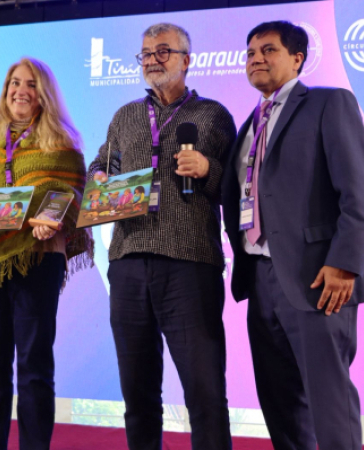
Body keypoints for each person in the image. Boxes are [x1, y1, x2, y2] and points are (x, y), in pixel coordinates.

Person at [221, 21, 364, 450]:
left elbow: (358, 193)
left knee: (329, 402)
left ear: (297, 59)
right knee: (280, 403)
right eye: (250, 53)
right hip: (259, 277)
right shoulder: (249, 124)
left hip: (318, 276)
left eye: (268, 50)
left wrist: (344, 263)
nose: (256, 58)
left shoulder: (328, 103)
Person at [88, 23, 236, 450]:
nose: (152, 59)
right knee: (137, 394)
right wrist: (98, 178)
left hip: (190, 264)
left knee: (205, 392)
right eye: (146, 53)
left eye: (163, 51)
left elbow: (236, 186)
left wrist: (208, 169)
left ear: (187, 60)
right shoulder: (125, 115)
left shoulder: (213, 115)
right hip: (128, 261)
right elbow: (101, 164)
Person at [0, 57, 93, 450]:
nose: (20, 90)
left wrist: (53, 220)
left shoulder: (62, 143)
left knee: (34, 365)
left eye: (30, 84)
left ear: (44, 93)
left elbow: (71, 194)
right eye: (14, 82)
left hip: (38, 258)